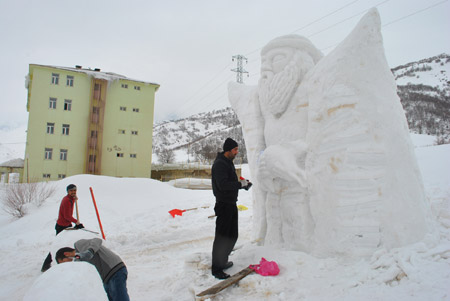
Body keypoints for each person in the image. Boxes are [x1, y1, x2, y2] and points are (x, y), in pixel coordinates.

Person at [211, 138, 251, 279]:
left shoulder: (227, 162)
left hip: (231, 203)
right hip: (223, 205)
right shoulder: (220, 164)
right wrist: (239, 185)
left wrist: (243, 184)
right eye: (235, 149)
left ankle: (222, 261)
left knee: (232, 235)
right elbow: (223, 185)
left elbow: (231, 182)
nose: (237, 152)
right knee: (222, 237)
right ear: (228, 150)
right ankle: (216, 269)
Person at [56, 238, 130, 301]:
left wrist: (90, 251)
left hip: (113, 269)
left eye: (63, 262)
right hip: (106, 278)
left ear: (66, 254)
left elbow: (97, 240)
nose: (65, 265)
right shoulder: (78, 260)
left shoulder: (78, 245)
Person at [41, 184, 84, 272]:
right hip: (62, 226)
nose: (73, 192)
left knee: (66, 244)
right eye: (71, 191)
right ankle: (46, 265)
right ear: (68, 191)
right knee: (58, 246)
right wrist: (77, 222)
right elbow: (67, 216)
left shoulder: (70, 199)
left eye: (74, 191)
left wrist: (74, 199)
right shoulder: (66, 200)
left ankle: (65, 261)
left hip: (67, 225)